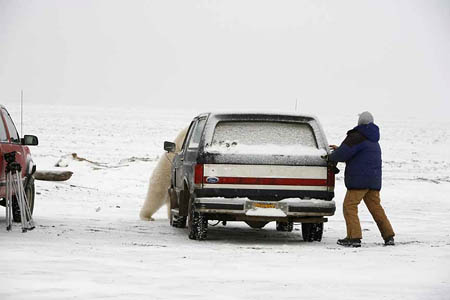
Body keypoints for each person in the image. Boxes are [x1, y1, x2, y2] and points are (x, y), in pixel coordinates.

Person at [328, 111, 395, 247]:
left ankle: (354, 237)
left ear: (360, 122)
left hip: (359, 181)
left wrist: (332, 156)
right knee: (376, 208)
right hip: (373, 181)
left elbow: (342, 155)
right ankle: (389, 236)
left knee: (349, 206)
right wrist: (340, 150)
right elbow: (357, 153)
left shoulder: (356, 136)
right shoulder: (373, 139)